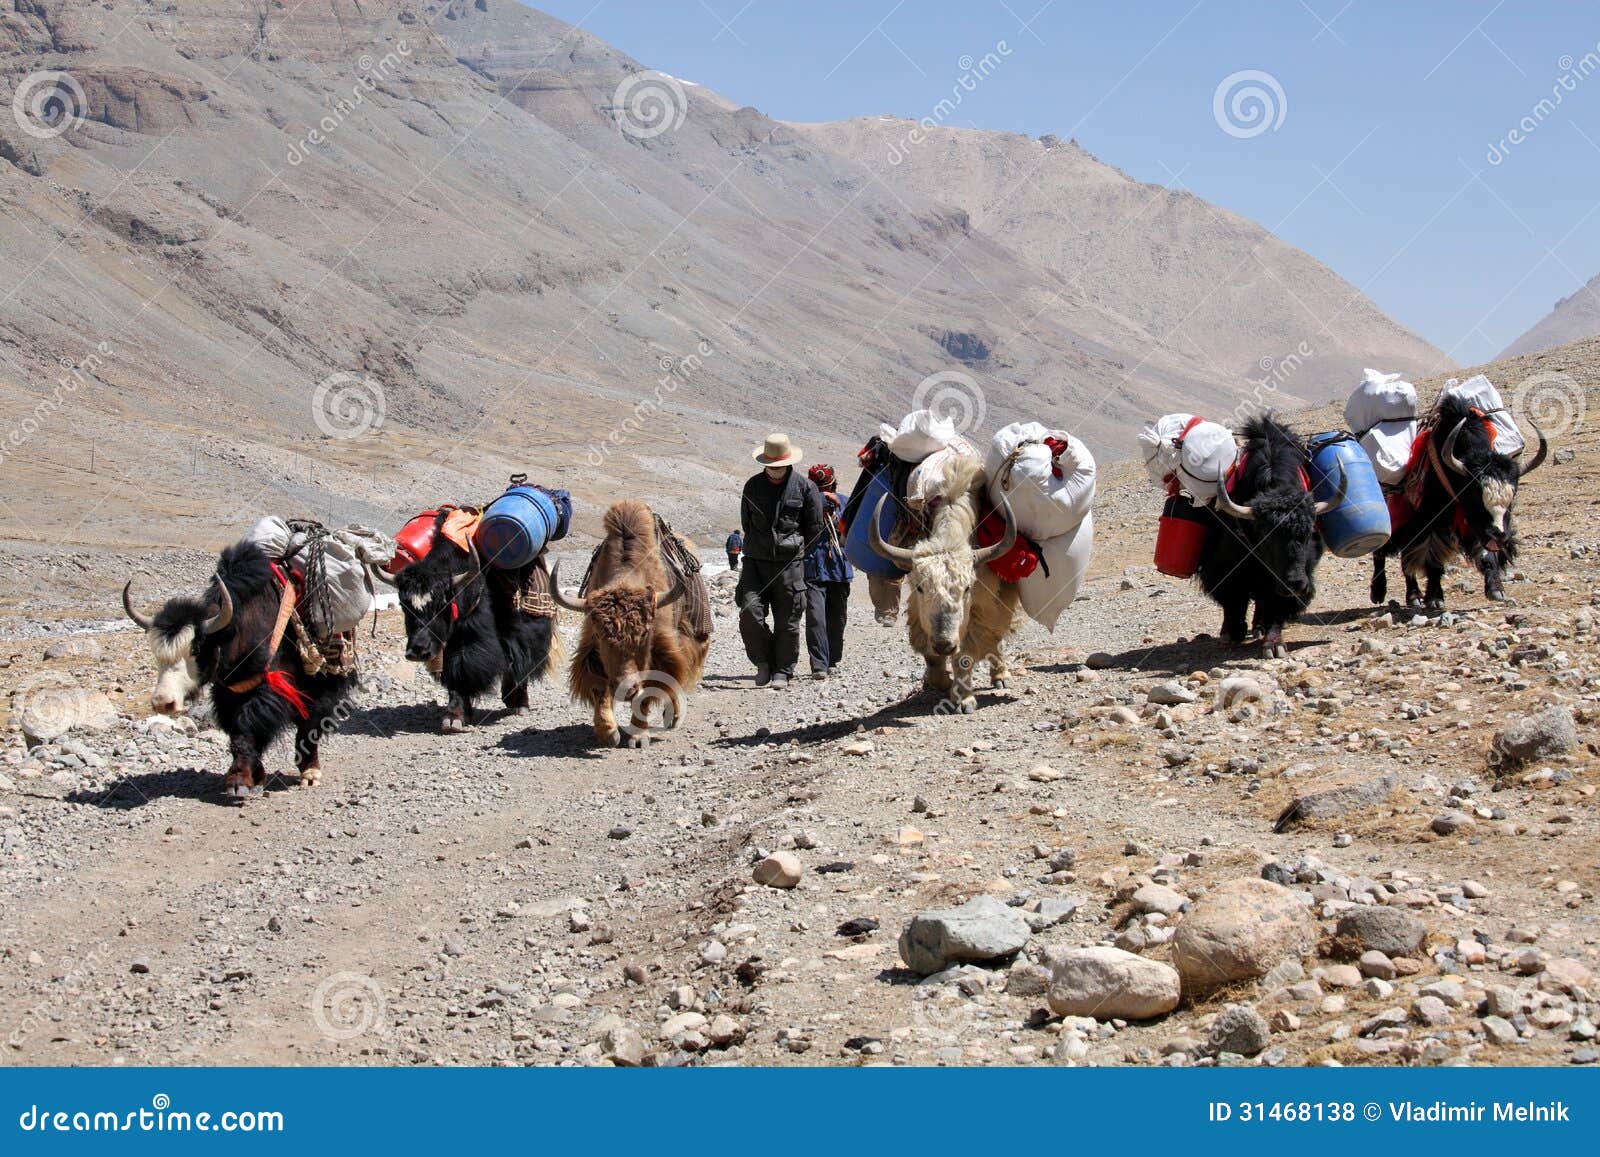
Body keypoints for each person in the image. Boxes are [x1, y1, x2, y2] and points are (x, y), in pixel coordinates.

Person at [737, 433, 825, 689]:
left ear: (788, 463)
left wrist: (794, 551)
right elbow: (747, 523)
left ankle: (783, 671)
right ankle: (764, 662)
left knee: (788, 620)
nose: (774, 470)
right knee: (750, 613)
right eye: (770, 466)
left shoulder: (806, 488)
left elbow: (815, 528)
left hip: (789, 565)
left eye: (779, 466)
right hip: (755, 561)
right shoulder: (752, 486)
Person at [803, 464, 853, 678]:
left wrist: (838, 507)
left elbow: (852, 533)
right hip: (812, 568)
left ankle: (833, 659)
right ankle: (819, 665)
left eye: (826, 487)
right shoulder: (804, 503)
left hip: (839, 568)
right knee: (815, 616)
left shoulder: (845, 502)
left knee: (838, 617)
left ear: (833, 483)